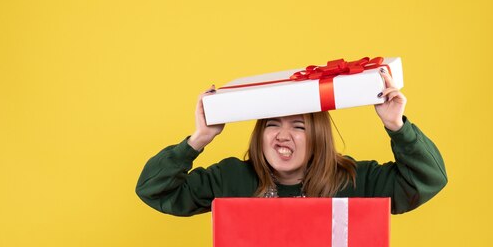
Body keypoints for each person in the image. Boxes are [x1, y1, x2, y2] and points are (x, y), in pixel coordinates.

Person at [136, 68, 447, 216]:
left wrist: (397, 126)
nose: (282, 135)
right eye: (272, 124)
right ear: (260, 135)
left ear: (317, 139)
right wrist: (199, 139)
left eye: (298, 126)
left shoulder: (354, 181)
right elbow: (155, 190)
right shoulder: (230, 179)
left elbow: (427, 180)